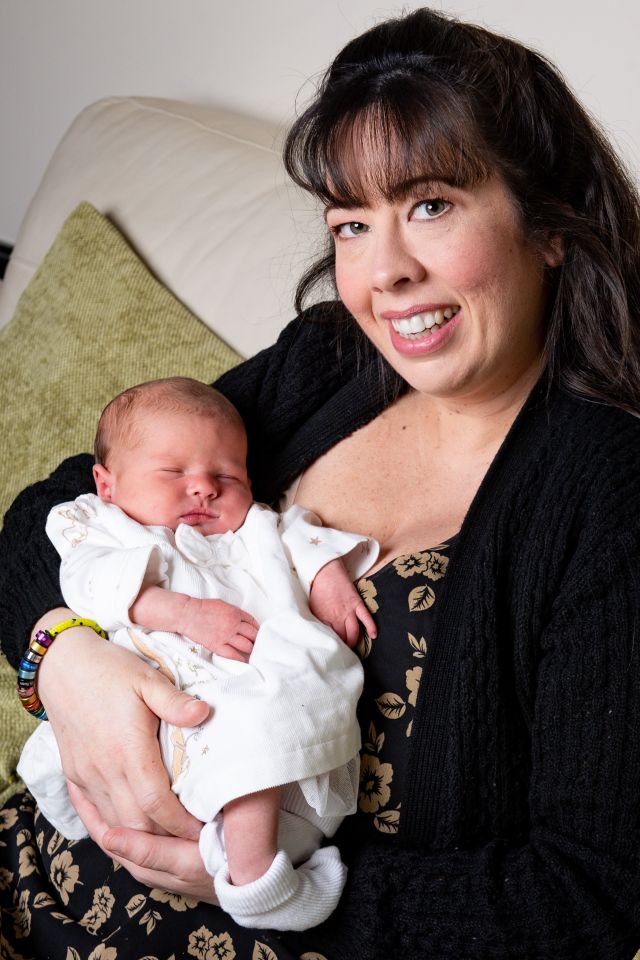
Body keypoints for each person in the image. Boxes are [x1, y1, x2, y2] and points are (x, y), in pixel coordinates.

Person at [2, 5, 640, 957]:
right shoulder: (332, 363)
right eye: (351, 223)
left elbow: (587, 897)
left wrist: (293, 890)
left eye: (430, 204)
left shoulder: (606, 495)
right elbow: (53, 511)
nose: (383, 272)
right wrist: (61, 659)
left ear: (549, 225)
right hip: (30, 869)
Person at [16, 375, 378, 932]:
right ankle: (218, 854)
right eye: (174, 473)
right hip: (148, 711)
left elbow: (299, 531)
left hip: (234, 710)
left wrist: (326, 573)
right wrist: (181, 613)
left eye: (226, 475)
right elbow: (86, 581)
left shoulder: (254, 527)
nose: (204, 489)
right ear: (107, 484)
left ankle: (257, 881)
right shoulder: (98, 525)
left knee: (259, 725)